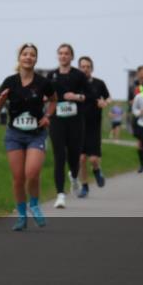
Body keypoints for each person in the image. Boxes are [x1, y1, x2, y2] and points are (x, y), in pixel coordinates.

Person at [0, 43, 57, 231]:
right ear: (19, 58)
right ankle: (21, 215)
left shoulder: (43, 83)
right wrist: (1, 101)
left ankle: (34, 205)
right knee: (18, 178)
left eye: (32, 55)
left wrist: (47, 116)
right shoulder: (9, 82)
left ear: (36, 59)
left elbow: (54, 100)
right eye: (25, 54)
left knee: (32, 173)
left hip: (36, 134)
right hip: (14, 135)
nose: (28, 57)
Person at [47, 43, 89, 208]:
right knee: (59, 156)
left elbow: (89, 96)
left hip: (75, 121)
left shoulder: (79, 75)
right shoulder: (51, 75)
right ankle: (60, 195)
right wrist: (46, 99)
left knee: (74, 155)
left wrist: (76, 96)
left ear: (72, 57)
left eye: (66, 53)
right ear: (58, 56)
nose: (63, 56)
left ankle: (73, 176)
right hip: (57, 120)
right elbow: (46, 94)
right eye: (61, 53)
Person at [76, 56, 109, 197]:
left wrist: (104, 102)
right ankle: (84, 186)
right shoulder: (75, 84)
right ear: (78, 68)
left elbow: (108, 97)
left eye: (88, 66)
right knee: (81, 158)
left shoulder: (99, 83)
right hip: (77, 124)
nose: (85, 69)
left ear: (92, 68)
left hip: (94, 125)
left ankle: (96, 170)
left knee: (93, 159)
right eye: (82, 66)